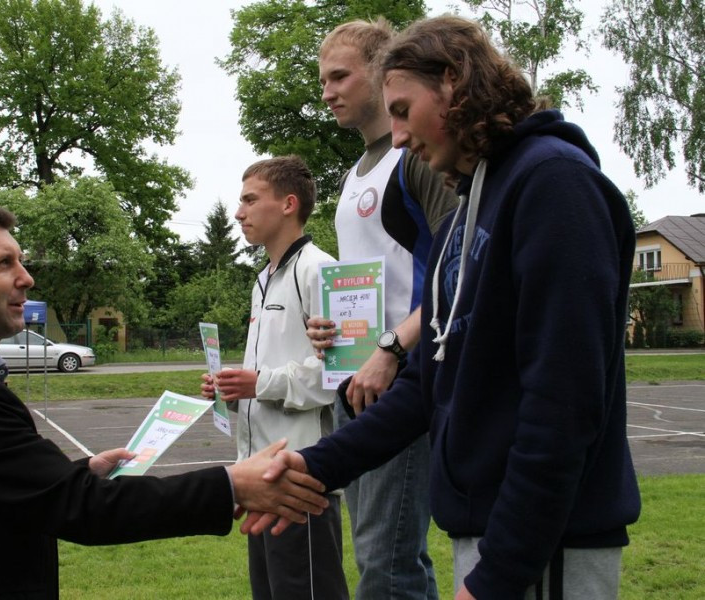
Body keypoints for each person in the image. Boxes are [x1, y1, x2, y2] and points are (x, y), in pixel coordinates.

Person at [255, 15, 642, 600]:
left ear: (455, 83)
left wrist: (497, 577)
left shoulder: (554, 186)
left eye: (405, 111)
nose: (401, 137)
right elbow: (427, 383)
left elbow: (562, 406)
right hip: (486, 533)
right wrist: (316, 467)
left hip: (545, 546)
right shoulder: (470, 208)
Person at [0, 202, 330, 599]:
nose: (26, 278)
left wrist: (76, 472)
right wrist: (229, 484)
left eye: (21, 262)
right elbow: (83, 509)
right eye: (3, 265)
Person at [309, 18, 458, 599]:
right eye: (322, 80)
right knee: (385, 556)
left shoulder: (415, 160)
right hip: (355, 379)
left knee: (386, 558)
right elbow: (365, 280)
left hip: (400, 380)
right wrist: (330, 327)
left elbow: (457, 268)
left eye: (340, 76)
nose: (327, 92)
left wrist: (394, 347)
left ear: (379, 71)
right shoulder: (352, 176)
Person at [200, 156, 348, 600]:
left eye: (249, 200)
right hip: (261, 474)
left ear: (287, 204)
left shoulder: (320, 269)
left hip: (302, 474)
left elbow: (338, 373)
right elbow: (266, 368)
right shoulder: (262, 279)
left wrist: (258, 383)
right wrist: (230, 391)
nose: (238, 212)